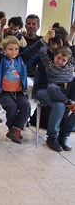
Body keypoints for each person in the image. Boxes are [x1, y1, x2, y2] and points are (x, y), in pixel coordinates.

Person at [0, 26, 54, 144]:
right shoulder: (0, 58)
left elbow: (34, 48)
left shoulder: (22, 58)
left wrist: (47, 36)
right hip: (4, 93)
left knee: (26, 106)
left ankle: (15, 129)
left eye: (16, 49)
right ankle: (13, 128)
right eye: (10, 49)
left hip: (19, 92)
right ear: (4, 49)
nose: (14, 52)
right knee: (12, 107)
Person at [32, 24, 75, 152]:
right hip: (45, 89)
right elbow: (38, 53)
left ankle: (63, 136)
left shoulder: (67, 57)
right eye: (53, 42)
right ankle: (52, 138)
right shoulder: (49, 62)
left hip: (66, 90)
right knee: (60, 105)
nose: (55, 46)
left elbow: (72, 51)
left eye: (58, 44)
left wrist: (72, 32)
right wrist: (46, 38)